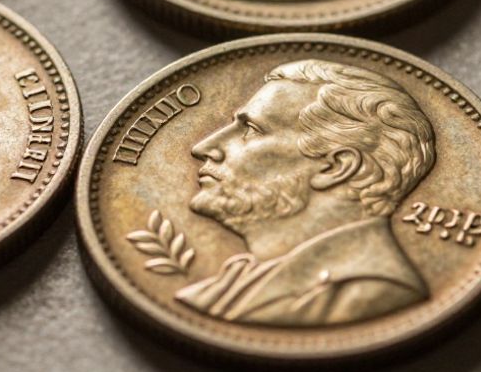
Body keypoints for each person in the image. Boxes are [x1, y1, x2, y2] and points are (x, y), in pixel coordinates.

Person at [176, 60, 433, 325]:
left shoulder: (369, 293)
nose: (204, 146)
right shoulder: (227, 284)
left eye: (251, 130)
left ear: (336, 167)